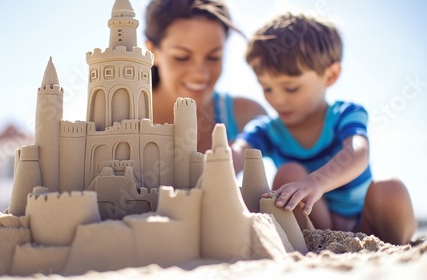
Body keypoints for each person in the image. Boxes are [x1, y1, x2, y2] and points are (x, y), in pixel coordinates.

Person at [231, 13, 416, 245]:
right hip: (315, 225)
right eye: (267, 88)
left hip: (366, 222)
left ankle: (398, 244)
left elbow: (358, 150)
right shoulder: (267, 130)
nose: (277, 99)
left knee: (390, 188)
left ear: (330, 75)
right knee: (289, 173)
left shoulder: (344, 114)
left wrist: (317, 181)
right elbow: (238, 150)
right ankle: (310, 243)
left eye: (290, 88)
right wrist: (216, 166)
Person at [144, 0, 266, 153]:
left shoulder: (247, 117)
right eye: (182, 57)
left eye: (214, 57)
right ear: (152, 51)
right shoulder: (114, 116)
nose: (200, 75)